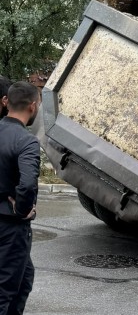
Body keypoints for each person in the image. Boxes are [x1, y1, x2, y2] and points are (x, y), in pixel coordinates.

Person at [0, 82, 40, 314]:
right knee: (5, 291)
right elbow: (27, 184)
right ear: (32, 107)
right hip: (11, 227)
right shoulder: (26, 141)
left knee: (24, 279)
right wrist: (23, 209)